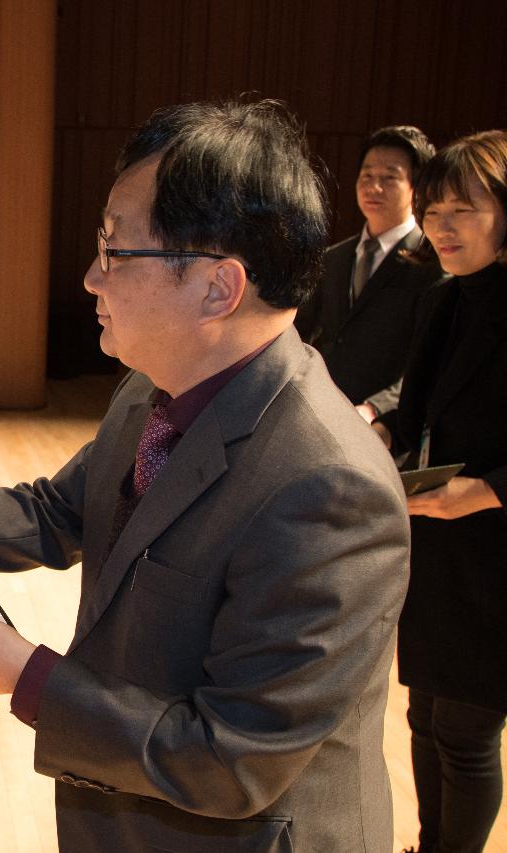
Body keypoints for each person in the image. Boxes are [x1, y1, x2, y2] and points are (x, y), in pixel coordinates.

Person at [0, 100, 411, 851]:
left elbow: (234, 760)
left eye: (114, 251)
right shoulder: (156, 382)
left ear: (217, 287)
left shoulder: (329, 486)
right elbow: (62, 508)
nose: (88, 278)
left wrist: (27, 676)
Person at [374, 130, 507, 853]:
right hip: (436, 536)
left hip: (493, 547)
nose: (442, 225)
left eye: (465, 207)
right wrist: (375, 431)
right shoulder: (444, 298)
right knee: (425, 713)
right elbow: (415, 410)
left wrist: (483, 491)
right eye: (434, 209)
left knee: (465, 730)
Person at [296, 125, 443, 421]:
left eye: (390, 178)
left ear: (417, 187)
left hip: (385, 424)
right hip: (322, 410)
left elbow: (430, 361)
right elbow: (299, 332)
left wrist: (376, 408)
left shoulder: (433, 263)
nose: (374, 187)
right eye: (367, 175)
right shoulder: (334, 257)